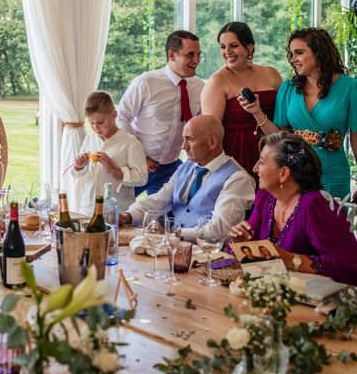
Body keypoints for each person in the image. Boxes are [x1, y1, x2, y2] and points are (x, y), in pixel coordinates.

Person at [238, 27, 357, 199]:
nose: (293, 59)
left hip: (334, 174)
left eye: (299, 53)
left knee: (329, 224)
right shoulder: (288, 88)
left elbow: (355, 138)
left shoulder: (350, 87)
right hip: (294, 175)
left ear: (319, 52)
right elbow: (280, 137)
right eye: (291, 54)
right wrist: (256, 112)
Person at [229, 132, 357, 285]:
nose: (255, 168)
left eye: (262, 162)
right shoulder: (266, 198)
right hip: (274, 293)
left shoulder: (316, 205)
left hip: (318, 301)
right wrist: (242, 243)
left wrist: (292, 260)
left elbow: (349, 267)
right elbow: (257, 258)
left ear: (283, 173)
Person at [119, 115, 255, 243]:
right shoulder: (185, 167)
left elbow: (220, 229)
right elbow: (159, 200)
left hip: (209, 255)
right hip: (174, 248)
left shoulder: (237, 179)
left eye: (189, 139)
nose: (183, 146)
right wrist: (127, 216)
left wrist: (172, 235)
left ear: (212, 142)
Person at [118, 30, 204, 196]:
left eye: (199, 54)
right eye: (190, 55)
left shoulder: (199, 87)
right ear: (172, 55)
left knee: (163, 220)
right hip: (136, 165)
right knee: (119, 213)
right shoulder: (145, 83)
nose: (196, 60)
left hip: (171, 168)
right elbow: (122, 119)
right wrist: (141, 157)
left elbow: (198, 126)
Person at [201, 22, 282, 184]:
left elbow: (285, 117)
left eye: (234, 46)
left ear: (250, 47)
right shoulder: (217, 81)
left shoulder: (271, 73)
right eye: (223, 47)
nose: (227, 52)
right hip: (236, 154)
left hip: (272, 149)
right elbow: (211, 132)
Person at [70, 91, 147, 215]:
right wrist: (80, 167)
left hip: (117, 212)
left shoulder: (131, 143)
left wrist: (114, 170)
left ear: (114, 114)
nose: (96, 128)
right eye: (91, 123)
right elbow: (80, 176)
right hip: (88, 209)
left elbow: (142, 178)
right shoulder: (89, 139)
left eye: (100, 122)